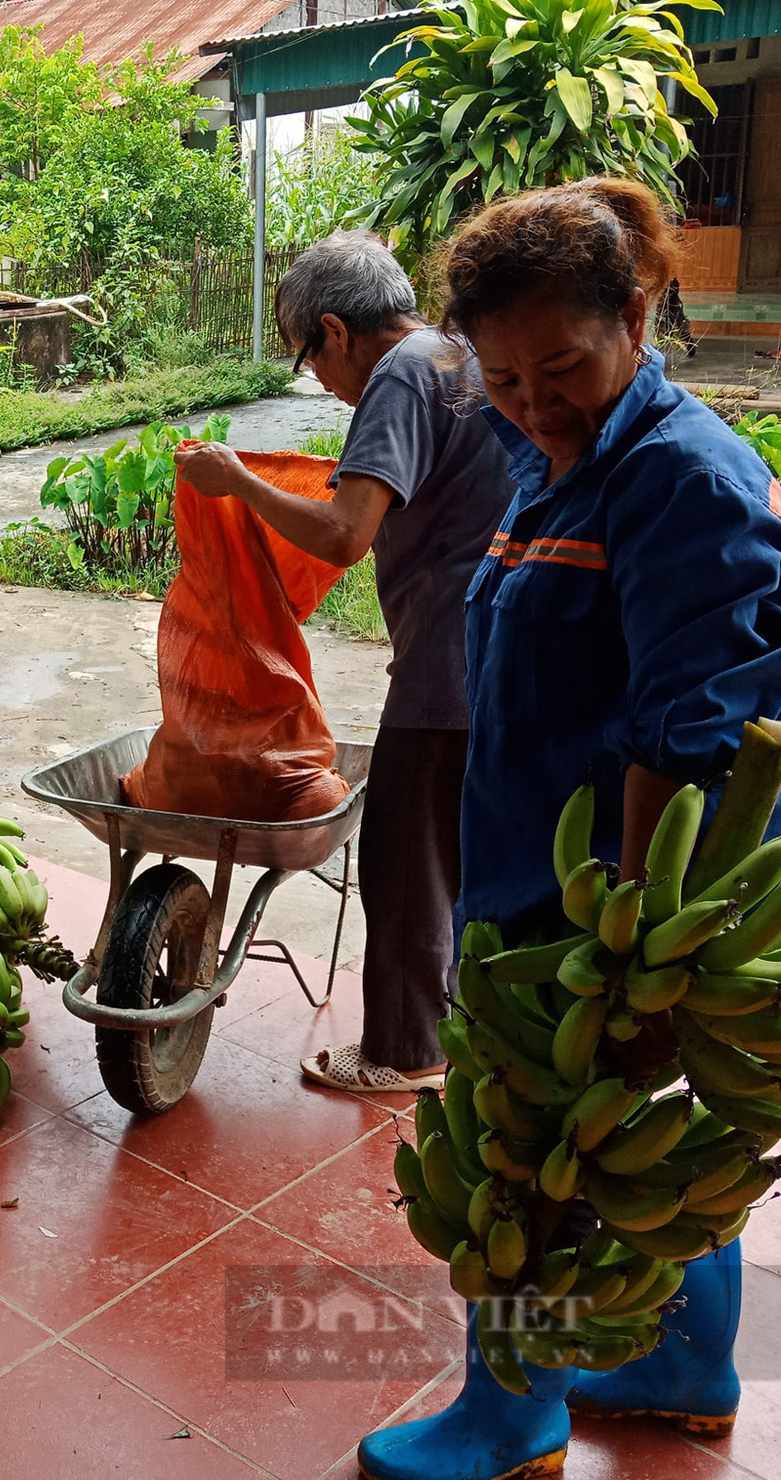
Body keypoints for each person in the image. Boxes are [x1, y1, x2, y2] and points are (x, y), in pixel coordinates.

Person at [355, 179, 781, 1480]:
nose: (533, 400)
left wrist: (627, 958)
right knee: (651, 1145)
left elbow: (690, 742)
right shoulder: (559, 458)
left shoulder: (678, 478)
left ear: (639, 311)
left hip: (609, 903)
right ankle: (683, 1371)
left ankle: (510, 1418)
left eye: (562, 365)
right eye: (502, 378)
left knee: (533, 1161)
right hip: (537, 867)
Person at [173, 231, 515, 1093]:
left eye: (309, 359)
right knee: (458, 856)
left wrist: (238, 483)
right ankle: (467, 1026)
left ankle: (405, 1056)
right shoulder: (458, 355)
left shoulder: (399, 374)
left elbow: (343, 531)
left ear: (335, 330)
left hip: (446, 658)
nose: (320, 382)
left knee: (403, 865)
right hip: (496, 645)